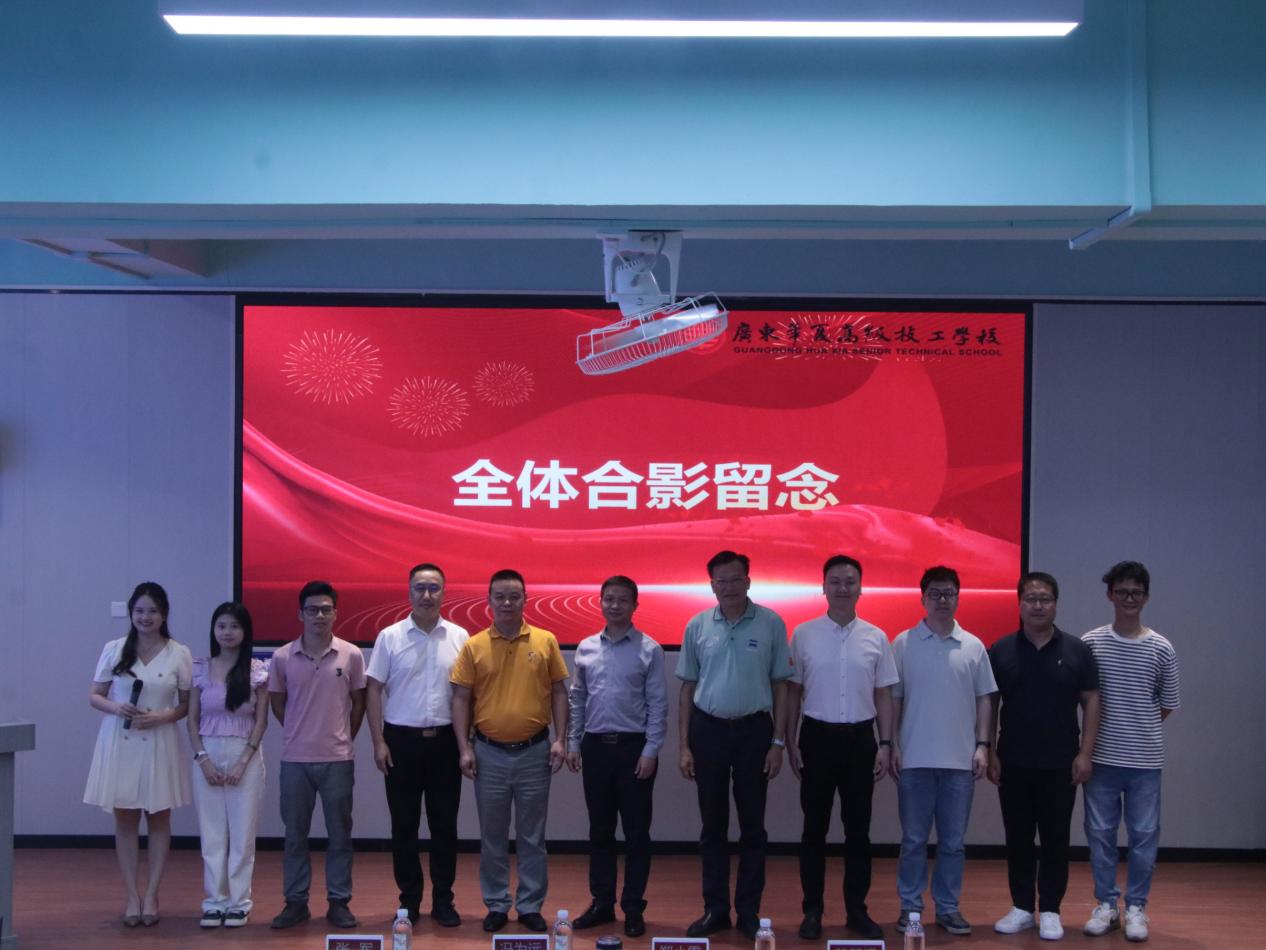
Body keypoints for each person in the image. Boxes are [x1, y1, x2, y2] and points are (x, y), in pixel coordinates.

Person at [677, 550, 793, 941]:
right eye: (720, 581)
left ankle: (747, 910)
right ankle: (715, 909)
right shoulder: (697, 625)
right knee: (712, 826)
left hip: (754, 732)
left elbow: (781, 686)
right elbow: (687, 688)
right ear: (712, 585)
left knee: (752, 826)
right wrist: (684, 746)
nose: (728, 587)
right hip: (707, 731)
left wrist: (778, 742)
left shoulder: (771, 623)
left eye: (735, 579)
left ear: (748, 581)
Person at [450, 569, 569, 934]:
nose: (506, 603)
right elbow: (461, 698)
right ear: (488, 601)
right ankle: (497, 904)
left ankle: (530, 905)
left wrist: (561, 739)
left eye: (514, 596)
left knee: (533, 836)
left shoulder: (545, 640)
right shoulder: (474, 645)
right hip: (489, 754)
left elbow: (559, 691)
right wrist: (464, 747)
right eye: (499, 596)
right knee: (493, 836)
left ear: (525, 600)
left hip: (535, 751)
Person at [787, 555, 897, 941]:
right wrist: (789, 740)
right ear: (823, 587)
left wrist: (886, 743)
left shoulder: (876, 637)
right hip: (816, 738)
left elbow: (883, 694)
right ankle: (812, 910)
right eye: (835, 581)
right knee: (813, 830)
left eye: (850, 581)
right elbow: (793, 692)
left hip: (860, 741)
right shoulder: (804, 634)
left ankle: (857, 910)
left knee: (858, 832)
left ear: (861, 588)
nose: (842, 588)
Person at [988, 573, 1100, 941]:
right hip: (1013, 761)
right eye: (1031, 599)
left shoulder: (1077, 650)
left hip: (1061, 762)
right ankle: (1022, 907)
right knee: (1018, 838)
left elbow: (1091, 701)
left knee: (1055, 839)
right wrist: (988, 749)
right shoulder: (1001, 650)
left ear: (1055, 604)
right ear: (1019, 603)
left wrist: (1085, 753)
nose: (1038, 605)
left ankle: (1050, 909)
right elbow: (990, 702)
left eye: (1045, 599)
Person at [890, 565, 997, 937]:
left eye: (948, 593)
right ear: (922, 598)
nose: (942, 600)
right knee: (913, 841)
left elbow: (985, 699)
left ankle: (948, 908)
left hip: (959, 762)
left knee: (953, 844)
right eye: (934, 593)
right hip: (914, 759)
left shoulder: (973, 646)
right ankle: (911, 907)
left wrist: (983, 745)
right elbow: (894, 699)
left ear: (958, 597)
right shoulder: (903, 643)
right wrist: (892, 744)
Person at [1081, 561, 1180, 943]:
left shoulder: (1161, 648)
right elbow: (1084, 697)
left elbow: (1166, 704)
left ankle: (1137, 907)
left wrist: (1137, 727)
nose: (1128, 599)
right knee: (1100, 836)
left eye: (1135, 593)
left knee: (1144, 837)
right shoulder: (1091, 643)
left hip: (1145, 762)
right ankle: (1107, 905)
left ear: (1146, 597)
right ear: (1110, 595)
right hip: (1101, 759)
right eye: (1121, 592)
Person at [84, 581, 193, 928]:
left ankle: (153, 894)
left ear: (164, 614)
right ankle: (132, 895)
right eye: (140, 611)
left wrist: (163, 716)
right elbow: (95, 695)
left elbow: (186, 705)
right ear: (131, 613)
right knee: (125, 818)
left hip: (160, 739)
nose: (146, 617)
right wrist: (117, 708)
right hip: (122, 738)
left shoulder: (179, 653)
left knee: (159, 817)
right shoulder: (115, 648)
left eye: (153, 611)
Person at [366, 563, 468, 928]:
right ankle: (408, 900)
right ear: (409, 592)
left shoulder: (460, 637)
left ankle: (443, 900)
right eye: (420, 588)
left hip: (445, 743)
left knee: (445, 826)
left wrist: (465, 744)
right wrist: (378, 741)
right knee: (404, 826)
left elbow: (466, 694)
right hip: (401, 742)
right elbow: (373, 690)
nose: (427, 595)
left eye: (434, 588)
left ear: (444, 592)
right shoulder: (390, 637)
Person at [565, 575, 668, 939]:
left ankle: (634, 907)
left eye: (623, 600)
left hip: (633, 749)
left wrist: (651, 750)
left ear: (635, 605)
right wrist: (573, 742)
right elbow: (578, 698)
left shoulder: (649, 649)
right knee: (600, 830)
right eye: (609, 599)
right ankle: (602, 902)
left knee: (637, 833)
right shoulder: (586, 647)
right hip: (595, 747)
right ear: (600, 602)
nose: (615, 605)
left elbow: (658, 703)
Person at [267, 580, 367, 930]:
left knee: (340, 835)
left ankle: (339, 902)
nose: (319, 615)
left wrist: (343, 737)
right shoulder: (282, 657)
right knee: (295, 836)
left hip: (338, 759)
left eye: (326, 609)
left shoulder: (351, 654)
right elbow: (277, 704)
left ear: (336, 613)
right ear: (300, 614)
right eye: (312, 610)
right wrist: (299, 731)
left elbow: (359, 703)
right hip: (295, 760)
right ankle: (296, 902)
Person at [187, 602, 269, 928]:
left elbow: (261, 722)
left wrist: (242, 762)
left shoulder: (257, 670)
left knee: (242, 834)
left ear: (245, 632)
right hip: (207, 755)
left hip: (244, 756)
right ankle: (214, 901)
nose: (227, 632)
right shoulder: (200, 668)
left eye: (234, 626)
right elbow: (192, 721)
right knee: (212, 834)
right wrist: (203, 760)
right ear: (213, 630)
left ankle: (239, 902)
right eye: (221, 626)